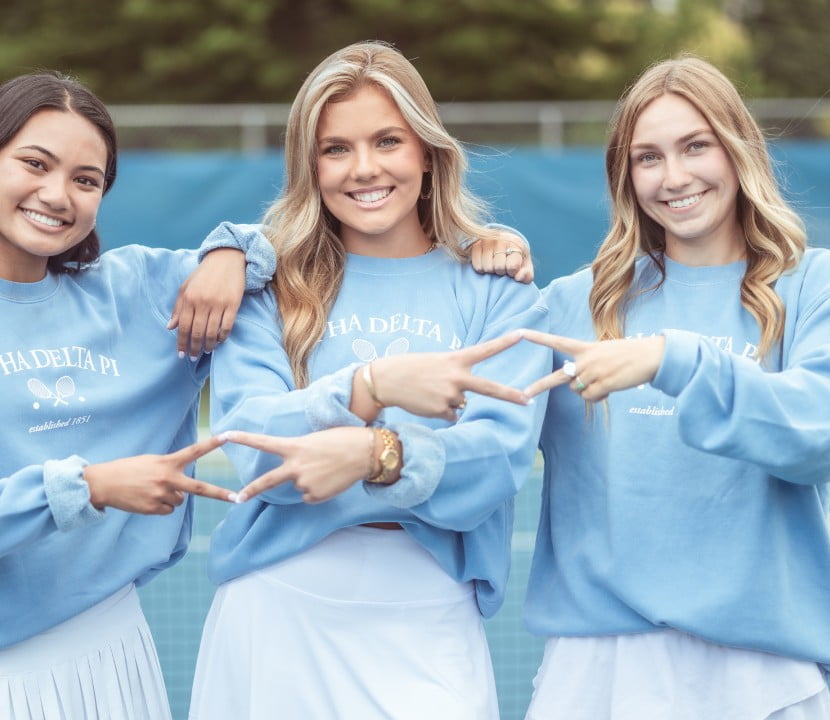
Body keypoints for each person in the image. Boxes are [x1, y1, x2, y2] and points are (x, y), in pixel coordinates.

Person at [0, 71, 275, 719]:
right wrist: (90, 485)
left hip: (115, 651)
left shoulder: (134, 291)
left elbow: (305, 243)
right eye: (34, 163)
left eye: (86, 180)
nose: (58, 194)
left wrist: (232, 251)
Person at [187, 42, 548, 719]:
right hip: (278, 612)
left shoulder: (501, 292)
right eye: (335, 149)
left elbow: (496, 463)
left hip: (431, 611)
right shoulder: (268, 290)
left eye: (388, 141)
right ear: (309, 164)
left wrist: (376, 455)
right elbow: (257, 447)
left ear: (427, 152)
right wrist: (369, 386)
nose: (365, 169)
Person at [519, 56, 830, 719]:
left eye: (695, 146)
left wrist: (671, 359)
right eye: (648, 157)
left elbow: (821, 430)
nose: (674, 176)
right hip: (598, 674)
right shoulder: (575, 303)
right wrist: (479, 256)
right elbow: (479, 426)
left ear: (737, 148)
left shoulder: (819, 286)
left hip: (762, 680)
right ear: (625, 177)